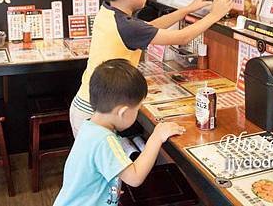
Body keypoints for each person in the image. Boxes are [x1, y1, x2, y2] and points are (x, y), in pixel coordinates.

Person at [70, 0, 234, 137]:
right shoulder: (126, 26)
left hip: (87, 103)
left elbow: (150, 27)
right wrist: (214, 15)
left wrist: (187, 9)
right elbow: (183, 37)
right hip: (94, 112)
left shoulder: (110, 11)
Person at [54, 59, 185, 206]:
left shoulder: (89, 127)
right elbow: (135, 177)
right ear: (123, 112)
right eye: (136, 110)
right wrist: (156, 137)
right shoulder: (105, 140)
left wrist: (108, 189)